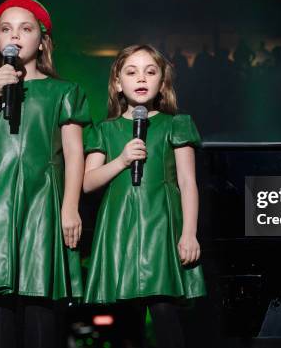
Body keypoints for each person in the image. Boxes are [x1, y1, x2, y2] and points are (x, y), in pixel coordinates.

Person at [0, 0, 91, 348]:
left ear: (42, 40)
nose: (15, 36)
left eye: (25, 28)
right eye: (6, 29)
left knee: (38, 294)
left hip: (42, 198)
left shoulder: (64, 91)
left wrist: (70, 206)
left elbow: (75, 154)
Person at [83, 44, 205, 348]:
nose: (141, 79)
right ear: (117, 83)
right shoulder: (105, 130)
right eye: (131, 72)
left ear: (162, 83)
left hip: (161, 225)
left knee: (163, 309)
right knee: (125, 317)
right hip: (119, 228)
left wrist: (189, 233)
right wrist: (122, 161)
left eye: (150, 72)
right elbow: (87, 182)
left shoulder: (175, 124)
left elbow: (188, 182)